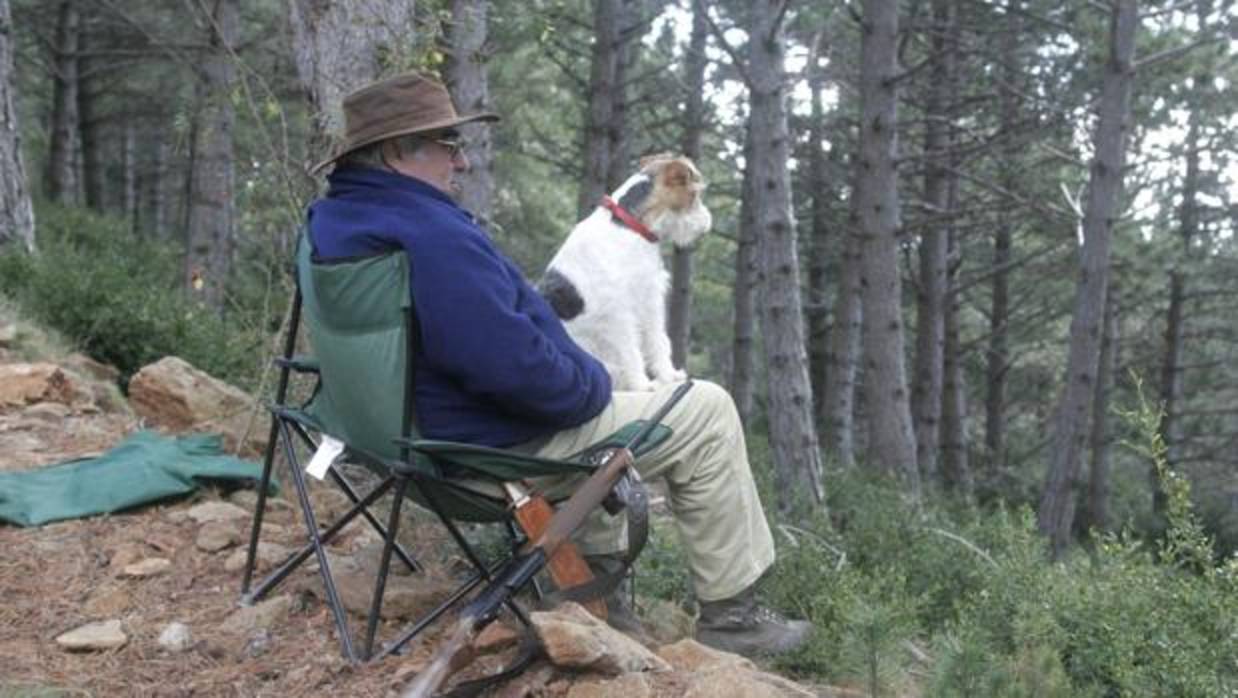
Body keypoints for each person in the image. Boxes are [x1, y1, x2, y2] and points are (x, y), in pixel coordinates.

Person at [306, 71, 811, 657]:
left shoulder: (334, 224)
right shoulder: (430, 235)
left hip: (400, 442)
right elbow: (516, 373)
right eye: (449, 145)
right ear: (397, 151)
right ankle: (735, 620)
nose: (462, 162)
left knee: (591, 422)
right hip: (479, 453)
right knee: (708, 411)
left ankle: (592, 600)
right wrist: (591, 380)